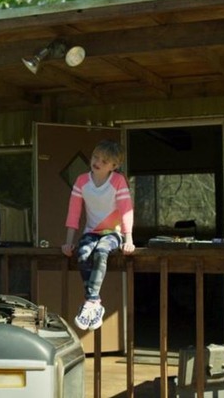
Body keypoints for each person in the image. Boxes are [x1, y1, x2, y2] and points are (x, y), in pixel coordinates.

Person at [61, 139, 135, 330]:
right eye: (95, 157)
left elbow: (126, 210)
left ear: (114, 166)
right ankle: (94, 302)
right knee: (83, 253)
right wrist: (68, 243)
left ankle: (90, 302)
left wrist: (129, 239)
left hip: (112, 232)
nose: (97, 162)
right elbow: (74, 212)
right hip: (91, 231)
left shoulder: (118, 181)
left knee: (102, 251)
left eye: (104, 160)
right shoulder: (81, 181)